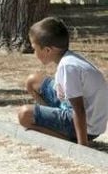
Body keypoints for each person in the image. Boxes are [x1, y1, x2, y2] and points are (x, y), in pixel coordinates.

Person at [17, 17, 108, 146]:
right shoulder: (69, 58)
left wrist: (82, 147)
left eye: (35, 49)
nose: (34, 53)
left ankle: (69, 138)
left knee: (24, 114)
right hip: (72, 109)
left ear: (47, 50)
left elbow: (79, 109)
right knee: (32, 81)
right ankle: (54, 123)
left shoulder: (68, 66)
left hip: (87, 126)